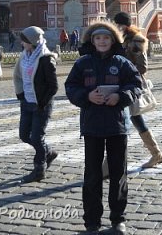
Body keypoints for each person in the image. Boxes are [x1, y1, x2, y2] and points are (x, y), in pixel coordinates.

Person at [65, 21, 142, 235]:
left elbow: (136, 85)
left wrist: (120, 96)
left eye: (106, 38)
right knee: (92, 175)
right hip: (92, 126)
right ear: (92, 40)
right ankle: (91, 221)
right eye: (98, 38)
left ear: (113, 40)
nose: (102, 41)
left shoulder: (122, 62)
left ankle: (118, 218)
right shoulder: (82, 63)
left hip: (117, 126)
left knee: (118, 174)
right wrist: (86, 96)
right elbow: (71, 87)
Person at [114, 11, 162, 169]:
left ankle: (155, 154)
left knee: (131, 120)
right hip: (122, 86)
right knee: (134, 119)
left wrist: (125, 69)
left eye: (118, 24)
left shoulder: (136, 40)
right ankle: (155, 154)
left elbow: (142, 66)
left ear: (124, 25)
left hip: (131, 86)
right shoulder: (121, 40)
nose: (116, 27)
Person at [13, 26, 58, 183]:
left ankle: (39, 169)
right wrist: (21, 95)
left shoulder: (46, 58)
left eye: (24, 40)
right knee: (24, 135)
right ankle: (48, 153)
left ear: (31, 42)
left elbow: (53, 86)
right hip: (26, 102)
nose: (21, 42)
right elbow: (17, 76)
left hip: (41, 104)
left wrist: (43, 103)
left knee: (37, 138)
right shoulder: (24, 56)